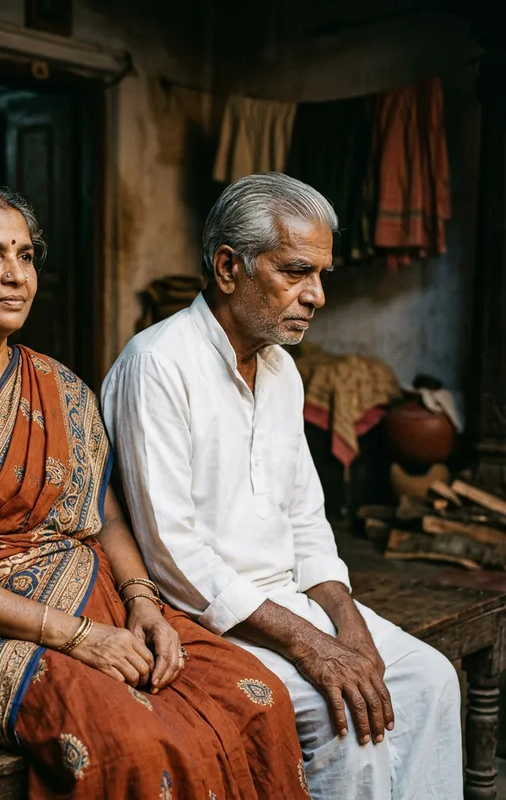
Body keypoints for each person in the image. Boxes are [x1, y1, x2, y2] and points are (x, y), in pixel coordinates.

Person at [0, 182, 311, 799]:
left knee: (253, 697)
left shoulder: (59, 384)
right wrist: (77, 637)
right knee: (133, 743)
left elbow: (105, 516)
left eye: (24, 255)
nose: (16, 275)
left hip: (101, 603)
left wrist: (143, 603)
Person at [101, 172, 463, 800]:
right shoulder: (157, 364)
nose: (316, 295)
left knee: (431, 680)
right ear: (227, 267)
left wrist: (346, 622)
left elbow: (306, 521)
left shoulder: (280, 370)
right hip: (203, 617)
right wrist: (311, 645)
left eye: (321, 275)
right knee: (351, 724)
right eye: (295, 271)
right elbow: (171, 555)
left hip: (288, 605)